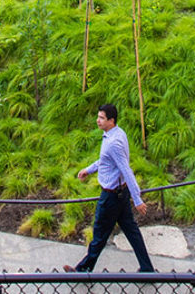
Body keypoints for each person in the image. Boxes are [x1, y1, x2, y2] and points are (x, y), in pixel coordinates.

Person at [64, 104, 154, 274]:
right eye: (98, 117)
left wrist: (137, 199)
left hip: (111, 197)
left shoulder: (113, 143)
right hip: (120, 193)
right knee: (132, 231)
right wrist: (89, 169)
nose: (97, 121)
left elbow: (126, 170)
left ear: (111, 120)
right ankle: (147, 268)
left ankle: (83, 270)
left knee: (99, 233)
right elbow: (105, 161)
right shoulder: (117, 134)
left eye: (101, 118)